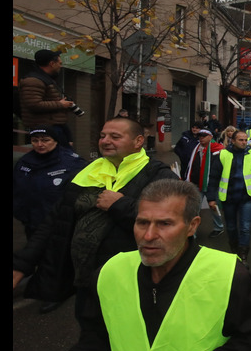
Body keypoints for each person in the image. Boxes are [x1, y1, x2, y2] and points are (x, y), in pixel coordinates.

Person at [46, 179, 251, 351]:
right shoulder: (110, 271)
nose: (149, 235)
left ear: (191, 226)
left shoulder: (227, 272)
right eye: (142, 222)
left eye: (165, 224)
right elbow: (95, 334)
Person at [13, 117, 177, 315]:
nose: (105, 141)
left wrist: (120, 205)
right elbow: (55, 221)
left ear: (138, 141)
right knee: (91, 335)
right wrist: (23, 264)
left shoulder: (159, 175)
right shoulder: (87, 172)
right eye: (102, 136)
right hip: (86, 283)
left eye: (115, 136)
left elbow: (173, 224)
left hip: (132, 284)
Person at [13, 126, 87, 242]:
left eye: (45, 140)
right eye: (35, 140)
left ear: (56, 141)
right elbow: (18, 190)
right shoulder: (24, 163)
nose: (40, 144)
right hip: (33, 224)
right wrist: (22, 215)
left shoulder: (72, 162)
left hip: (62, 225)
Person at [208, 131, 251, 262]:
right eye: (241, 140)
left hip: (247, 198)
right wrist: (211, 198)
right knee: (231, 227)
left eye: (245, 140)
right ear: (232, 141)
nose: (244, 142)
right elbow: (213, 177)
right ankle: (234, 249)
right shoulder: (223, 155)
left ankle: (243, 254)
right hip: (229, 198)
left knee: (245, 227)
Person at [19, 49, 76, 146]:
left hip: (54, 127)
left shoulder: (45, 79)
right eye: (59, 63)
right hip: (46, 130)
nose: (60, 66)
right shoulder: (33, 81)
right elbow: (34, 104)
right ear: (52, 63)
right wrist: (60, 104)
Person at [186, 129, 225, 237]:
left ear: (210, 137)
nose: (201, 138)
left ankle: (219, 227)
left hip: (212, 184)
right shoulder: (196, 148)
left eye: (204, 136)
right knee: (194, 209)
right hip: (198, 183)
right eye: (199, 136)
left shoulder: (218, 150)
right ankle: (192, 232)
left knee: (214, 207)